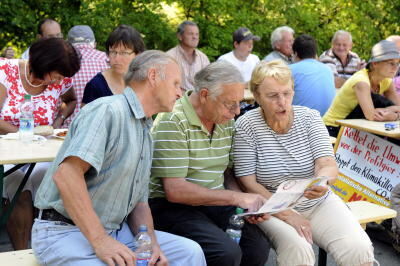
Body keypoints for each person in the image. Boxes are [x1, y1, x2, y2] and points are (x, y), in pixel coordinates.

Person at [32, 50, 206, 266]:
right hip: (63, 232)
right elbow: (66, 175)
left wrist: (150, 244)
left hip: (115, 231)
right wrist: (101, 240)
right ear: (153, 77)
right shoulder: (108, 111)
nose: (180, 93)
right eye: (176, 83)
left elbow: (139, 203)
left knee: (190, 252)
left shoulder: (145, 129)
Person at [233, 60, 375, 266]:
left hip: (316, 201)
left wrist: (322, 181)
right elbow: (247, 182)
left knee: (358, 248)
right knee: (298, 250)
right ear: (257, 97)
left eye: (287, 93)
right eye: (273, 96)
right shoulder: (246, 125)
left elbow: (326, 162)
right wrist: (288, 214)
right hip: (270, 204)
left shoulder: (309, 118)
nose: (282, 101)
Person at [149, 61, 271, 266]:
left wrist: (245, 203)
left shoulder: (225, 120)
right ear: (204, 95)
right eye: (229, 103)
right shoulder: (173, 119)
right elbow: (175, 190)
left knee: (257, 246)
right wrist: (235, 197)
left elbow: (227, 172)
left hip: (213, 200)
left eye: (239, 102)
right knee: (225, 252)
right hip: (170, 206)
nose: (237, 111)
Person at [0, 37, 80, 250]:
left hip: (44, 148)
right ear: (45, 64)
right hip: (9, 149)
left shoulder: (62, 80)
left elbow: (71, 101)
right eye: (58, 75)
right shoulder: (6, 71)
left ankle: (57, 250)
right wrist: (23, 134)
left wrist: (58, 121)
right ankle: (21, 252)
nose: (60, 80)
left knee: (65, 177)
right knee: (18, 182)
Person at [323, 40, 400, 137]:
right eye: (391, 63)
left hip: (351, 128)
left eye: (397, 63)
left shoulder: (387, 81)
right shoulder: (361, 81)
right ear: (375, 63)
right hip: (332, 128)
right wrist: (393, 114)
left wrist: (392, 112)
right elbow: (371, 115)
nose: (395, 67)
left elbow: (398, 107)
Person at [82, 24, 144, 105]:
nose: (117, 58)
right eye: (113, 52)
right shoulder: (95, 86)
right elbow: (86, 117)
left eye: (123, 53)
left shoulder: (143, 82)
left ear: (137, 55)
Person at [62, 25, 108, 128]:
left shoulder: (61, 61)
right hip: (99, 128)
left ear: (67, 45)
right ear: (94, 44)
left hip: (65, 130)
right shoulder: (107, 60)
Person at [290, 34, 335, 116]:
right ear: (315, 53)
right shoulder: (327, 69)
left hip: (301, 123)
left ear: (295, 53)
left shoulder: (290, 70)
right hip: (325, 122)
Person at [167, 20, 210, 91]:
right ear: (180, 36)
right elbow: (166, 84)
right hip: (176, 100)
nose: (195, 37)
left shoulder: (203, 58)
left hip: (198, 99)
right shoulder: (169, 57)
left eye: (197, 34)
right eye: (190, 34)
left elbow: (209, 82)